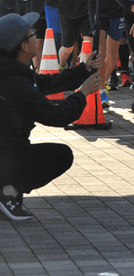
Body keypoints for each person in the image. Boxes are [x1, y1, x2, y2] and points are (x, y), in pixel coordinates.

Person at [0, 12, 101, 221]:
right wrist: (82, 94)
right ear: (23, 46)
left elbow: (46, 84)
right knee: (61, 155)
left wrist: (84, 69)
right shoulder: (15, 83)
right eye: (31, 34)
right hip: (6, 159)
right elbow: (56, 116)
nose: (36, 38)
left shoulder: (11, 73)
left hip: (6, 153)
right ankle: (8, 192)